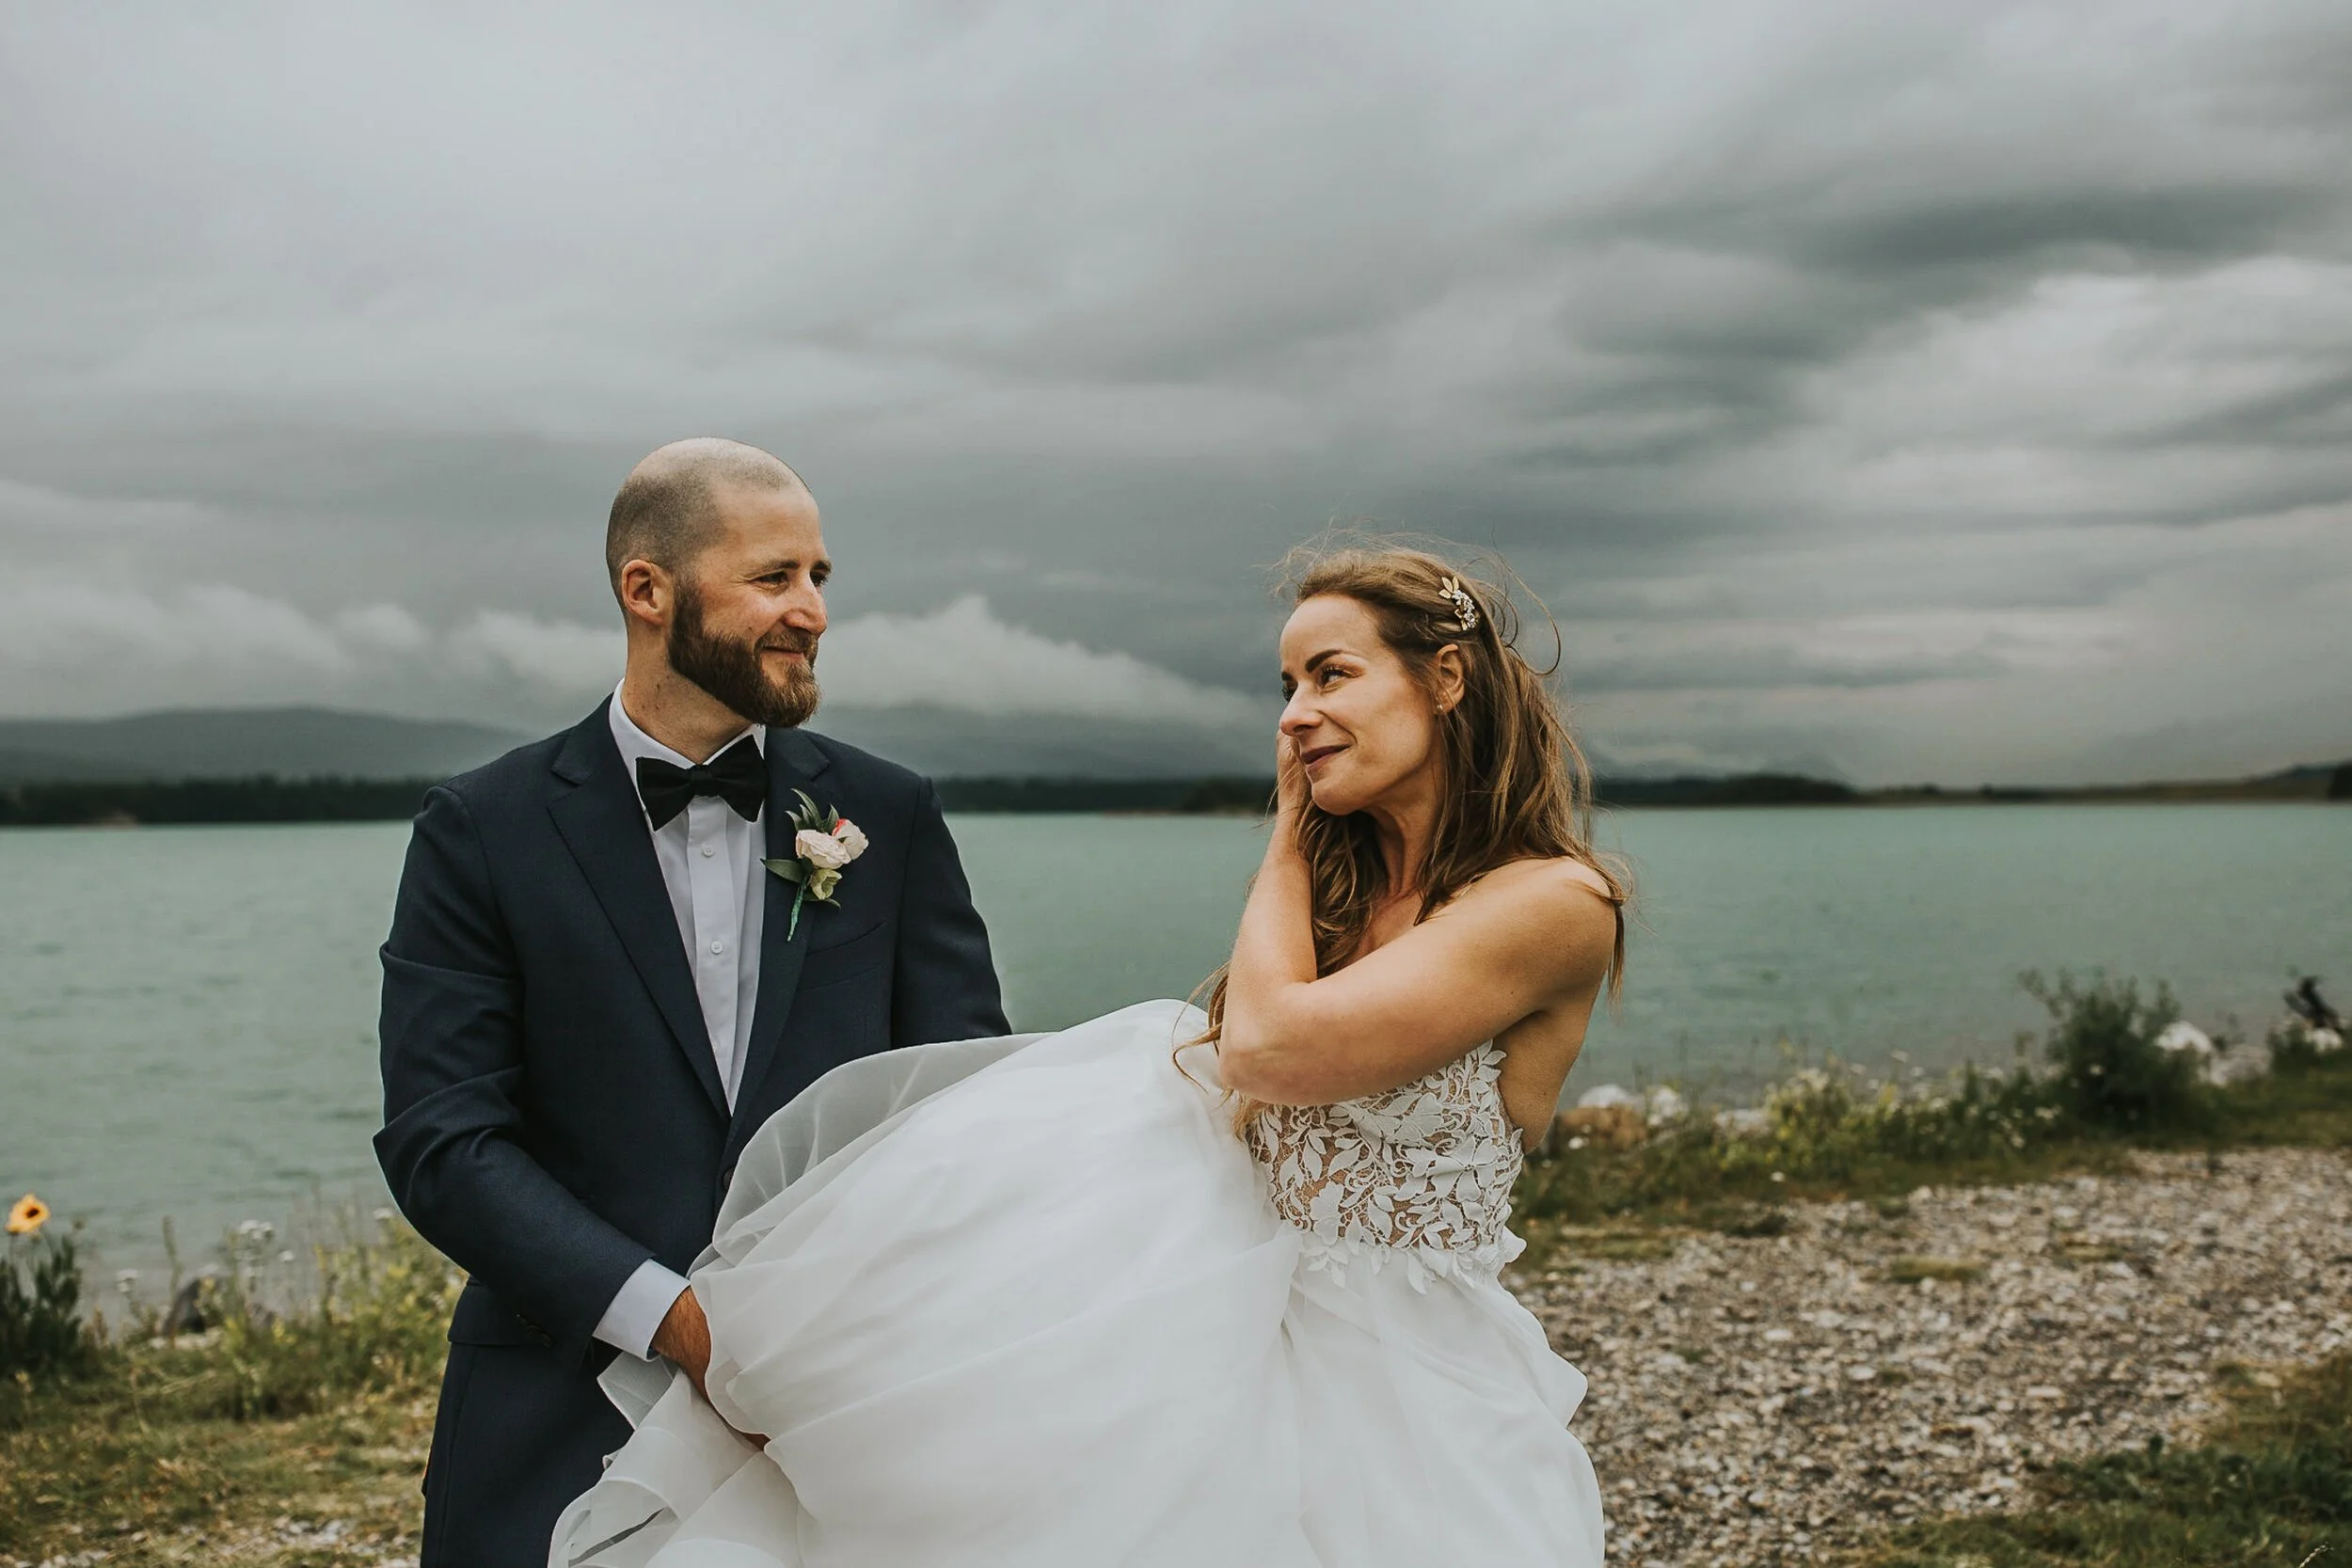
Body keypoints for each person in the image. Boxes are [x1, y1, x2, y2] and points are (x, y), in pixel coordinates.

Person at [550, 540, 1628, 1568]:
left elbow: (1268, 1047)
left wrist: (1290, 830)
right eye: (1287, 683)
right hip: (1214, 1339)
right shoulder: (1344, 904)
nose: (1295, 717)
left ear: (1445, 676)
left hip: (1407, 1379)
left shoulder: (1553, 904)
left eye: (1330, 675)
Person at [376, 438, 1008, 1566]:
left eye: (820, 578)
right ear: (647, 588)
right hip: (554, 1414)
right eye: (774, 577)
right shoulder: (481, 828)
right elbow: (444, 1140)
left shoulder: (888, 813)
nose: (811, 611)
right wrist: (675, 1320)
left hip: (844, 1416)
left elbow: (962, 1103)